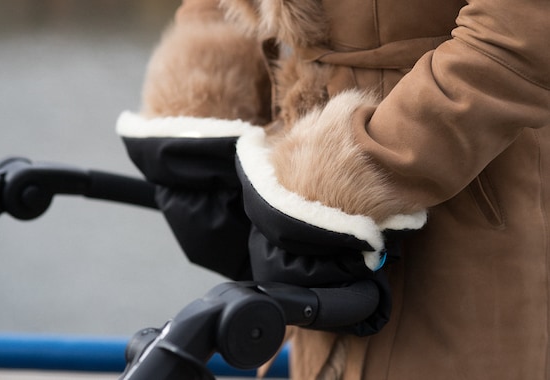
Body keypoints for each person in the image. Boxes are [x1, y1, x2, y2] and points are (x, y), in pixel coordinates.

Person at [117, 0, 550, 378]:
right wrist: (202, 107)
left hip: (461, 202)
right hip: (300, 173)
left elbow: (520, 29)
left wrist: (361, 169)